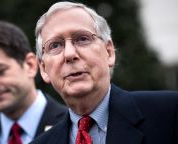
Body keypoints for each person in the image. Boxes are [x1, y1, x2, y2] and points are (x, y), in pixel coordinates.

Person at [31, 1, 178, 144]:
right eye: (55, 45)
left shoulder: (169, 114)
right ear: (44, 69)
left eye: (82, 39)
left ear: (109, 52)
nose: (69, 54)